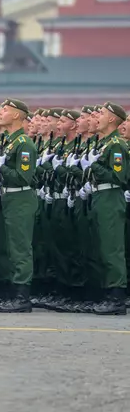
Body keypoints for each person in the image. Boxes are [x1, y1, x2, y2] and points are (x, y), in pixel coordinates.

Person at [0, 99, 38, 312]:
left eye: (5, 110)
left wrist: (2, 169)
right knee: (9, 246)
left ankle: (22, 297)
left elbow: (23, 177)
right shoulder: (9, 142)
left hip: (20, 198)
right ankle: (13, 293)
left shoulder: (24, 143)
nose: (1, 113)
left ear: (17, 115)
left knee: (20, 247)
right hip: (8, 197)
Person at [83, 102, 129, 315]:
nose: (97, 117)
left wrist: (95, 166)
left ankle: (117, 298)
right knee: (102, 246)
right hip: (100, 195)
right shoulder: (105, 144)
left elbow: (119, 177)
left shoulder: (116, 145)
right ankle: (107, 294)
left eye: (102, 113)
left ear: (112, 119)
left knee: (112, 249)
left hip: (111, 195)